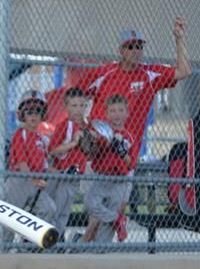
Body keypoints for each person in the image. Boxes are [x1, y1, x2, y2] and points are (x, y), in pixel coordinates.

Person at [78, 17, 191, 166]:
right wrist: (82, 124)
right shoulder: (104, 73)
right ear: (121, 51)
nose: (136, 51)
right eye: (130, 47)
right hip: (98, 151)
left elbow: (184, 71)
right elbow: (75, 96)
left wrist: (179, 39)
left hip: (126, 151)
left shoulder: (149, 75)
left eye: (139, 46)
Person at [0, 90, 57, 248]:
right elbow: (22, 163)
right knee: (11, 218)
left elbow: (45, 166)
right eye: (29, 112)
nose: (33, 115)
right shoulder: (21, 134)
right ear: (22, 115)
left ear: (42, 114)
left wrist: (62, 172)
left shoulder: (41, 139)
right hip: (19, 182)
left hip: (34, 183)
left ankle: (28, 244)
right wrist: (33, 180)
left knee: (49, 209)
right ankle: (3, 250)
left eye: (37, 111)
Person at [81, 94, 133, 244]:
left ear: (127, 113)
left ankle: (101, 246)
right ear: (107, 114)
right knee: (90, 203)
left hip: (120, 181)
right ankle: (118, 219)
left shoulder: (129, 136)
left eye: (121, 110)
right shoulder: (102, 132)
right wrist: (93, 143)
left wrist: (120, 149)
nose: (117, 114)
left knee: (104, 238)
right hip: (102, 178)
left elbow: (130, 163)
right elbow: (91, 155)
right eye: (113, 111)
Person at [46, 87, 89, 241]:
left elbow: (88, 153)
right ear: (66, 106)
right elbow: (52, 151)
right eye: (74, 105)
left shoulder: (86, 126)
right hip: (62, 174)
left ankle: (57, 240)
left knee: (65, 212)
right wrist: (73, 143)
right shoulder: (65, 125)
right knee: (56, 209)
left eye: (81, 105)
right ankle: (48, 239)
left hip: (75, 176)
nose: (78, 109)